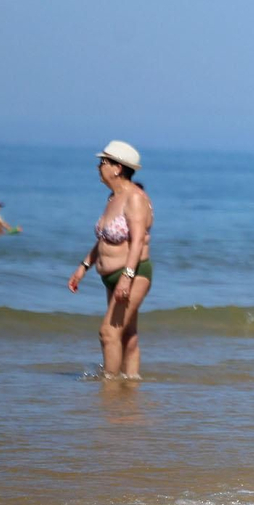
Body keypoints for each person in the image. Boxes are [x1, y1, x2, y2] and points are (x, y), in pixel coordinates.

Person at [66, 141, 154, 381]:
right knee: (127, 335)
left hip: (134, 274)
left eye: (103, 162)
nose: (98, 167)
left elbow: (136, 241)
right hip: (111, 276)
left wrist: (127, 276)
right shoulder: (113, 198)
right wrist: (83, 268)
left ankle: (110, 388)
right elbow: (104, 241)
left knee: (108, 333)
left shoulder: (135, 198)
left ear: (118, 168)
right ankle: (130, 385)